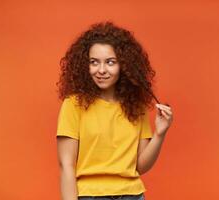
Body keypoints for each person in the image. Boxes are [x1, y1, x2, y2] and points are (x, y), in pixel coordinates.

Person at [56, 21, 173, 200]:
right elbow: (66, 165)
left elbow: (140, 166)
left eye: (110, 62)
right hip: (90, 196)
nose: (101, 70)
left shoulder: (136, 106)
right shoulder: (73, 105)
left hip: (133, 195)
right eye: (94, 62)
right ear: (84, 65)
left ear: (124, 66)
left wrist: (160, 134)